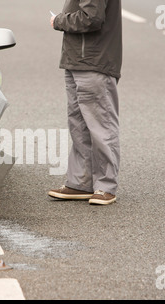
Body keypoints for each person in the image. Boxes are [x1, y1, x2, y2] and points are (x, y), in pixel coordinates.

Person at [48, 0, 122, 205]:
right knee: (79, 125)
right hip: (77, 60)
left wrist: (59, 21)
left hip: (93, 61)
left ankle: (105, 186)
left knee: (101, 125)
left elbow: (91, 18)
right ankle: (81, 182)